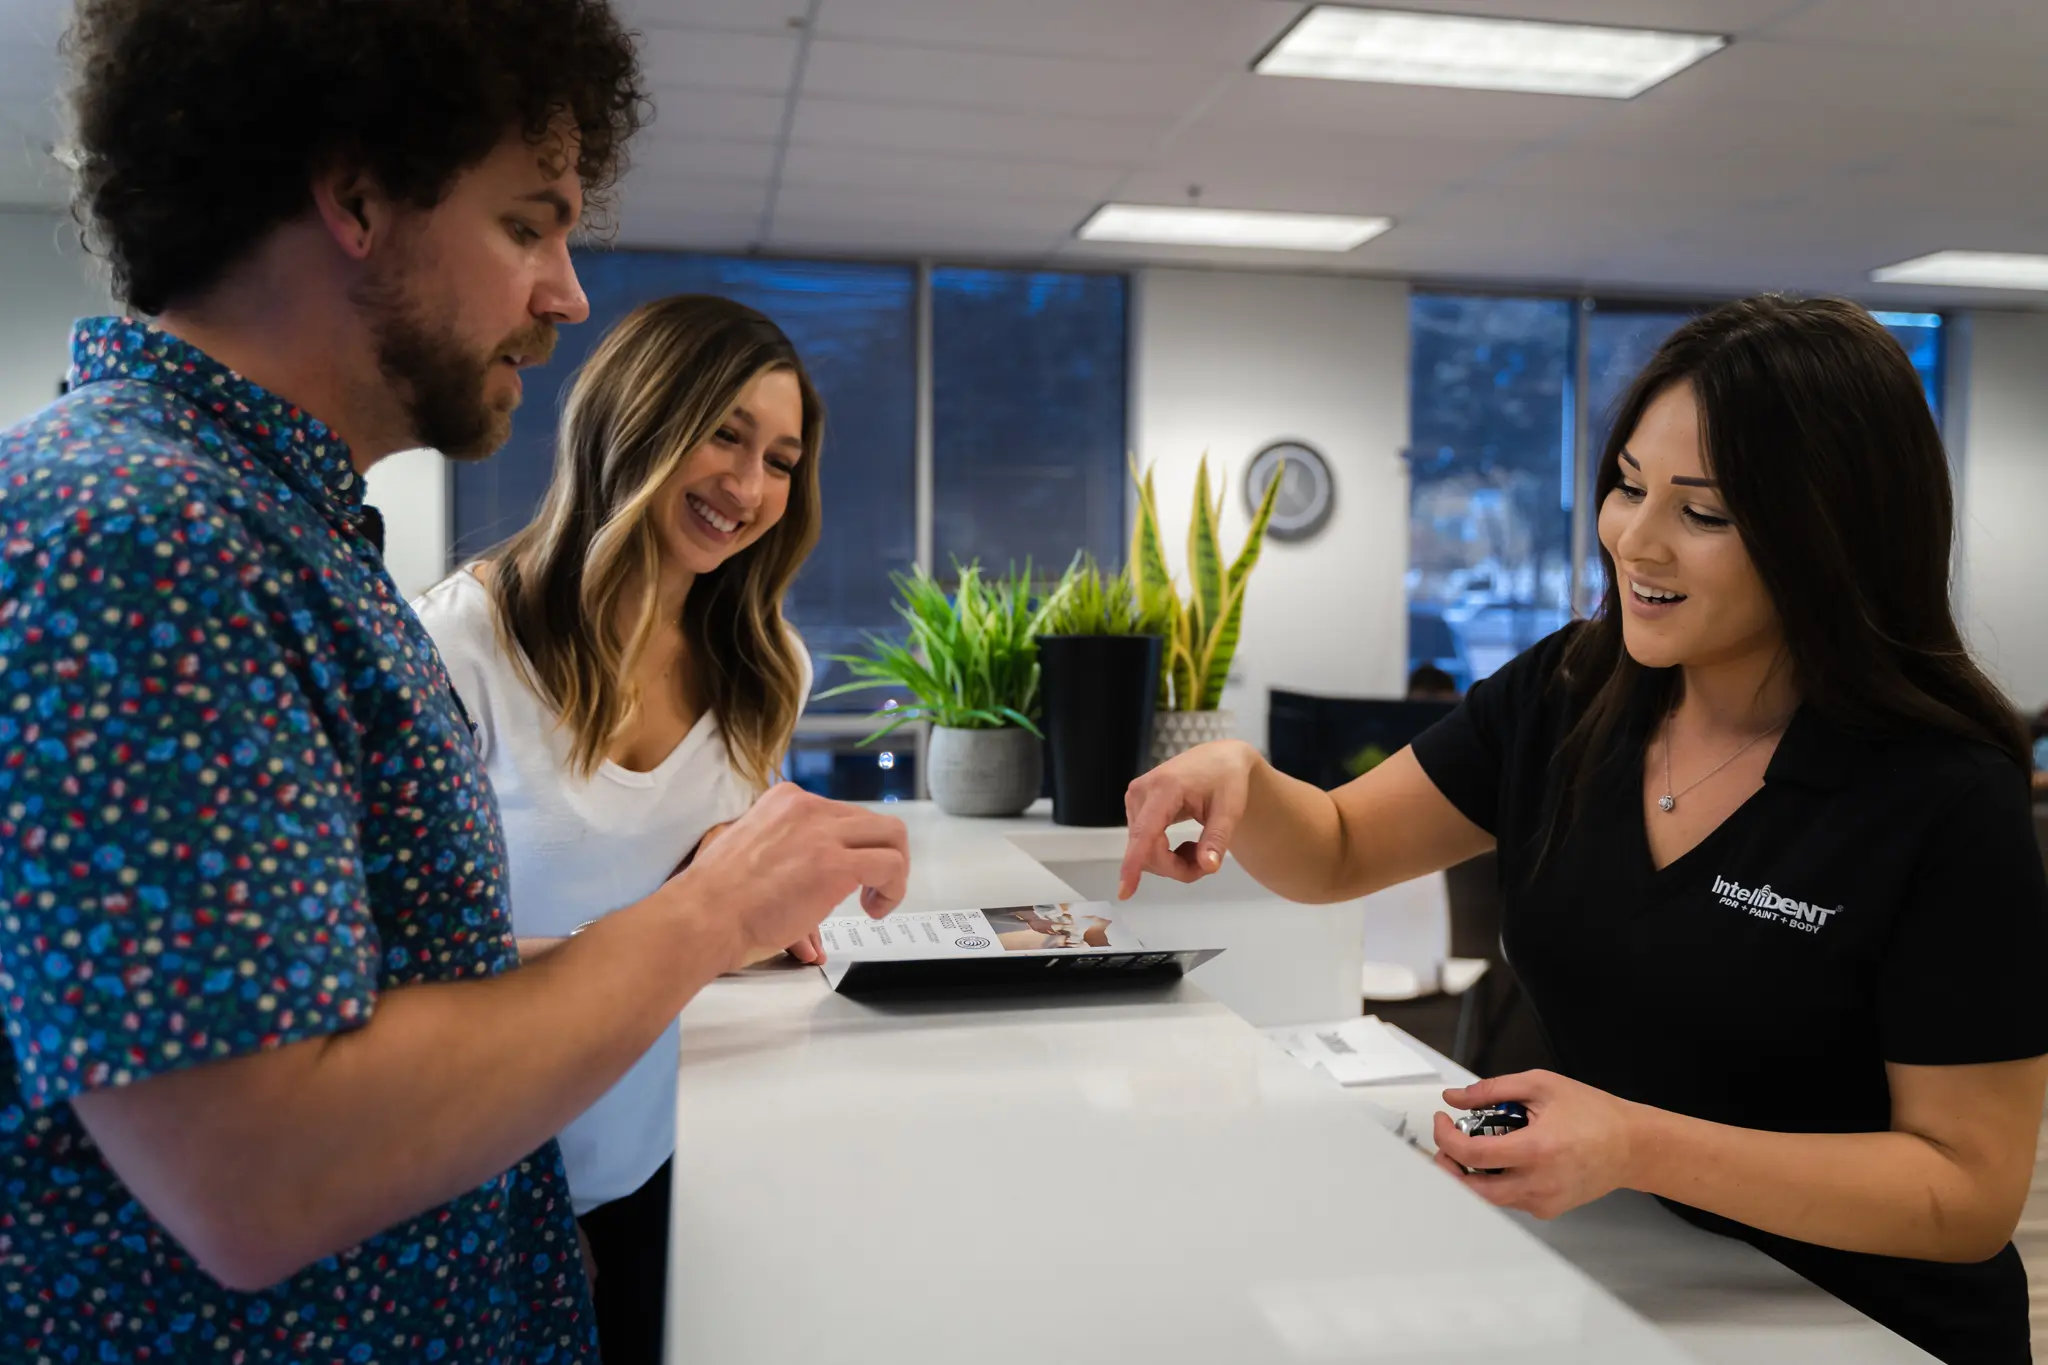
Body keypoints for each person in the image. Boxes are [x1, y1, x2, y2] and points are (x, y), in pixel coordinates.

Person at [0, 5, 908, 1363]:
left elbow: (388, 990)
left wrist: (714, 925)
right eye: (526, 226)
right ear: (358, 196)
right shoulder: (138, 532)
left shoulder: (280, 533)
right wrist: (707, 911)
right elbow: (261, 1170)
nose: (567, 295)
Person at [1119, 296, 2048, 1365]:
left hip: (1870, 1330)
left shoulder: (1941, 794)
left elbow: (1966, 1190)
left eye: (1703, 513)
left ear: (1829, 535)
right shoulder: (1568, 691)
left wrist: (1636, 1146)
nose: (1634, 540)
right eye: (1628, 485)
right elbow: (1336, 846)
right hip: (1643, 1284)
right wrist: (1242, 777)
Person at [412, 294, 828, 1364]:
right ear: (634, 418)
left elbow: (730, 925)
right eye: (725, 434)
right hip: (490, 1186)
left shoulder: (766, 668)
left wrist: (771, 910)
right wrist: (695, 922)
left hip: (673, 1162)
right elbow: (410, 966)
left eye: (781, 461)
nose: (749, 487)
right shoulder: (460, 644)